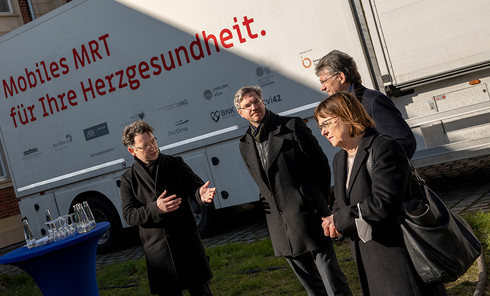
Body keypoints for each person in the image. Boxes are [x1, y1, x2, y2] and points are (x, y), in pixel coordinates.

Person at [315, 92, 446, 296]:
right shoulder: (339, 159)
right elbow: (342, 203)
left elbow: (384, 202)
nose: (323, 132)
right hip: (368, 260)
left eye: (327, 124)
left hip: (398, 257)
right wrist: (333, 222)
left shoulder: (383, 147)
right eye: (320, 126)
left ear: (346, 115)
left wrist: (340, 219)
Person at [235, 86, 352, 296]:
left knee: (333, 283)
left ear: (263, 101)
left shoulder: (291, 126)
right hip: (281, 228)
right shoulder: (244, 144)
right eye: (247, 105)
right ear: (240, 113)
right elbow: (262, 183)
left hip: (309, 216)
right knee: (312, 289)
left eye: (256, 101)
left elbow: (321, 166)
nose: (254, 107)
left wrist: (315, 200)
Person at [120, 120, 216, 296]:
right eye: (145, 145)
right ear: (132, 150)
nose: (152, 147)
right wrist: (155, 208)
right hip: (159, 254)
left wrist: (201, 195)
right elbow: (129, 215)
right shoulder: (128, 179)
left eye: (153, 141)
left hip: (188, 245)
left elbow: (195, 188)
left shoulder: (175, 163)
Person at [315, 50, 416, 158]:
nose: (322, 88)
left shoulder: (373, 101)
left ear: (341, 77)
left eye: (324, 81)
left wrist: (382, 169)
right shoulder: (340, 108)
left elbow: (404, 141)